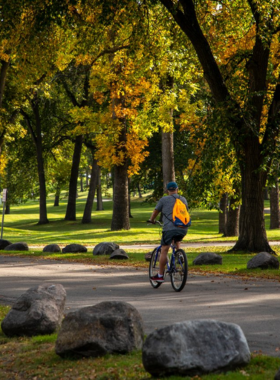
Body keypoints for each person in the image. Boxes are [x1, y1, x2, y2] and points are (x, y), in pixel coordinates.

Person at [148, 181, 188, 283]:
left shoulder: (164, 200)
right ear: (177, 189)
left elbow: (155, 212)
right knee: (176, 238)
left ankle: (160, 275)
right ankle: (179, 255)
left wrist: (151, 220)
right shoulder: (183, 199)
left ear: (167, 190)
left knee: (164, 249)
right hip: (183, 228)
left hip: (169, 228)